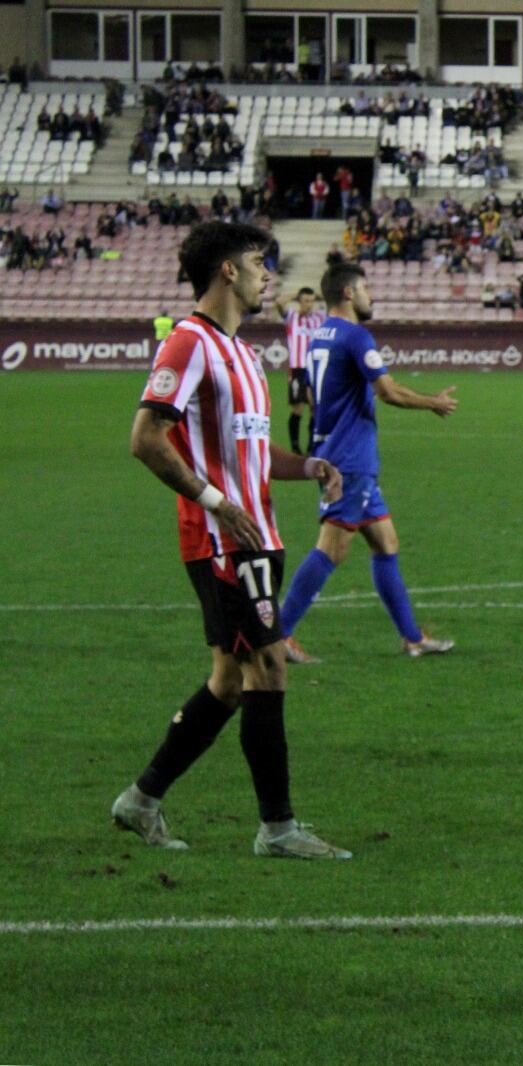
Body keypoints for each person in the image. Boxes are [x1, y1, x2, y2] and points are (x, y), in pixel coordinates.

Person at [111, 220, 350, 860]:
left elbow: (248, 449)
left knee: (227, 680)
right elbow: (145, 439)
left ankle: (141, 800)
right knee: (268, 667)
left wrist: (308, 467)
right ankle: (278, 828)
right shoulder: (188, 342)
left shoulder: (244, 352)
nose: (266, 273)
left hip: (259, 534)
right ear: (227, 271)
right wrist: (215, 501)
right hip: (221, 539)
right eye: (257, 261)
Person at [275, 263, 459, 663]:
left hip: (338, 450)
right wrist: (433, 403)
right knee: (333, 548)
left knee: (385, 542)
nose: (370, 296)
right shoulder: (356, 336)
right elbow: (388, 391)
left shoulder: (319, 336)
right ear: (347, 293)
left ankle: (412, 638)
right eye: (365, 288)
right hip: (349, 461)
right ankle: (279, 634)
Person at [273, 286, 325, 455]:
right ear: (299, 302)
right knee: (298, 407)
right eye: (305, 301)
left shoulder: (320, 318)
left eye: (311, 301)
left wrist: (319, 296)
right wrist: (296, 294)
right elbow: (279, 302)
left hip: (315, 368)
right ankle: (295, 446)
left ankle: (311, 446)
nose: (308, 304)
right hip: (298, 369)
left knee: (314, 407)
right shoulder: (292, 318)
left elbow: (333, 303)